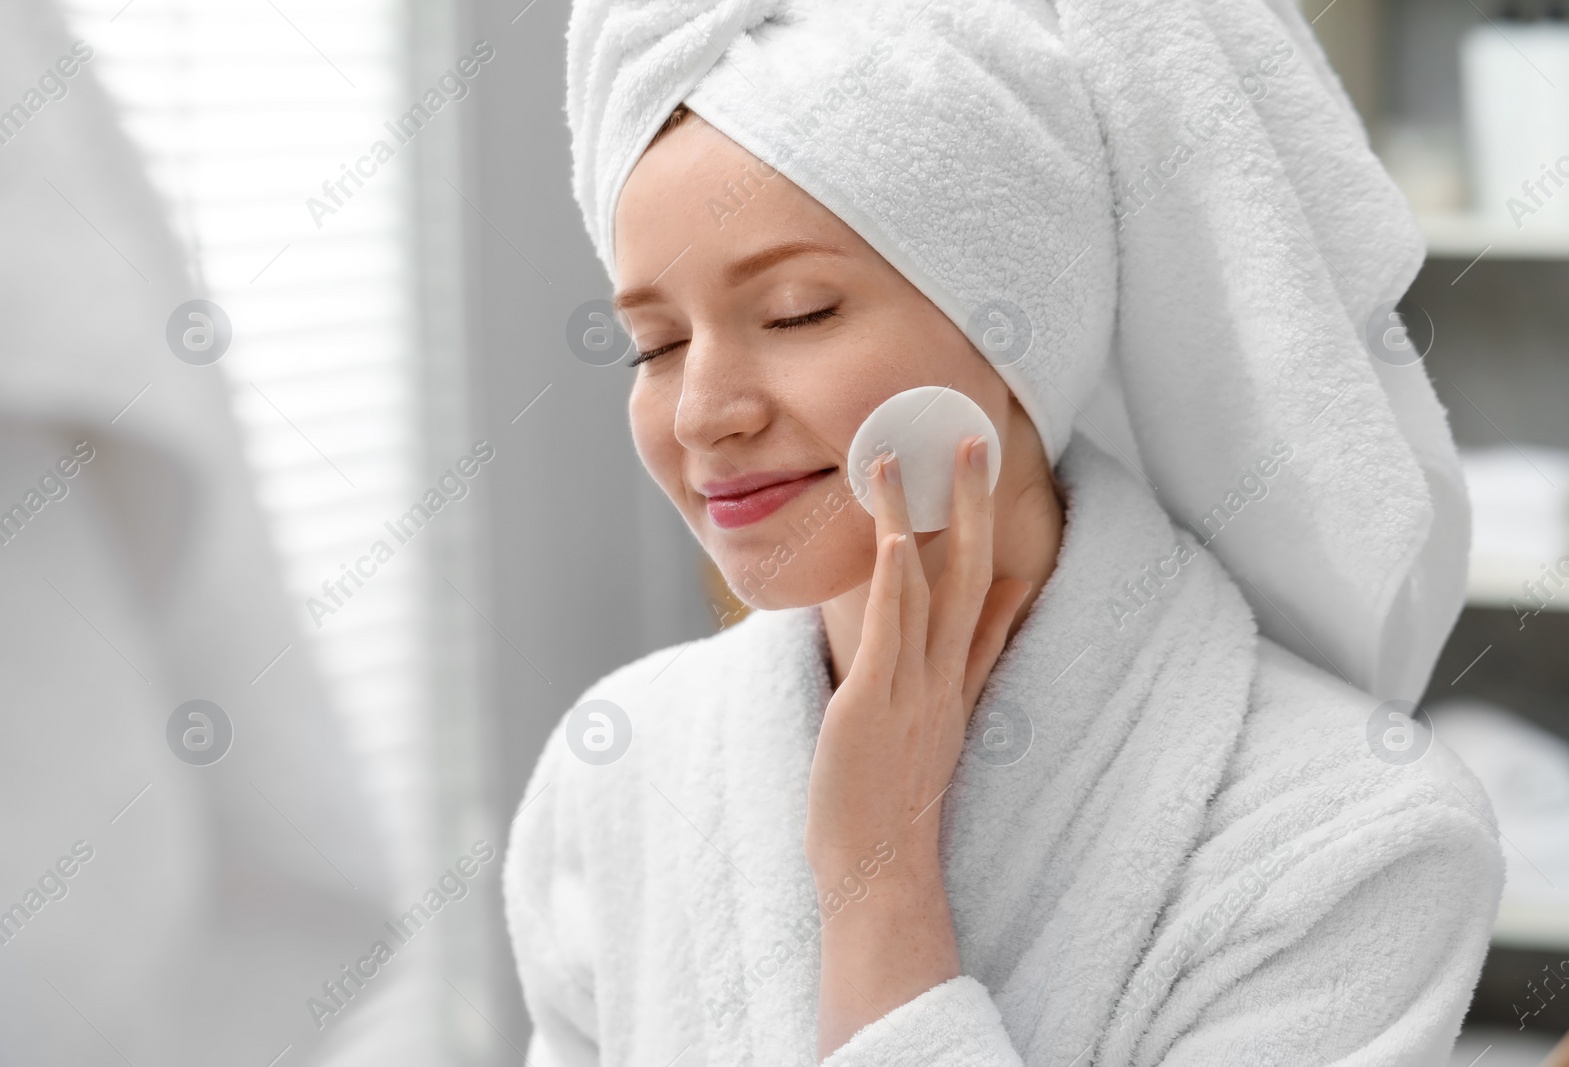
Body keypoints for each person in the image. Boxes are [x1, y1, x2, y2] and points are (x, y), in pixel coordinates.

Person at [505, 1, 1505, 1064]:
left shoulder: (1348, 840)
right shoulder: (619, 767)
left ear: (1023, 323)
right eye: (651, 344)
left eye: (797, 311)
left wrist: (877, 882)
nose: (703, 412)